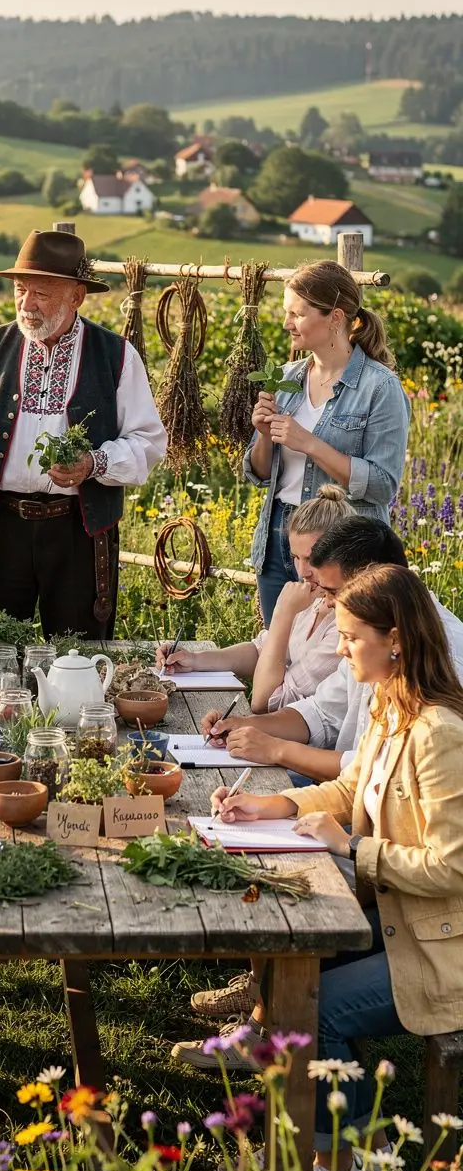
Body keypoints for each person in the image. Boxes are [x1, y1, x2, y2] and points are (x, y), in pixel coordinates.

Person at [203, 565, 463, 1171]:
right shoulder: (390, 705)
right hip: (411, 922)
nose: (341, 650)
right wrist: (269, 807)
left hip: (446, 942)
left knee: (319, 1010)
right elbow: (351, 789)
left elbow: (453, 866)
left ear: (394, 638)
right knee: (296, 966)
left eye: (350, 638)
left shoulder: (440, 734)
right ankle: (346, 1146)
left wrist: (353, 848)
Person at [0, 229, 167, 639]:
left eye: (41, 293)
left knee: (78, 655)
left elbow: (148, 442)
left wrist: (93, 463)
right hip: (0, 526)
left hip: (79, 530)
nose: (27, 304)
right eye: (21, 290)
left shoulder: (116, 355)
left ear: (76, 296)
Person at [201, 517, 463, 783]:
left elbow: (375, 774)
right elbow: (322, 713)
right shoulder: (370, 635)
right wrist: (242, 725)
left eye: (333, 592)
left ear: (374, 583)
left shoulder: (446, 656)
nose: (325, 602)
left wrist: (277, 750)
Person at [243, 260, 410, 624]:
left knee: (338, 661)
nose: (287, 323)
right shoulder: (287, 379)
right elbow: (259, 475)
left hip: (341, 544)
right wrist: (263, 434)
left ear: (335, 317)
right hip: (278, 536)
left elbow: (382, 485)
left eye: (297, 314)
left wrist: (311, 443)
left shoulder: (380, 388)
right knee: (278, 652)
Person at [156, 484, 353, 712]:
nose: (302, 572)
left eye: (311, 558)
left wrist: (282, 613)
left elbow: (266, 702)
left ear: (342, 553)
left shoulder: (346, 625)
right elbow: (260, 650)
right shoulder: (314, 597)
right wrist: (195, 660)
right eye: (296, 557)